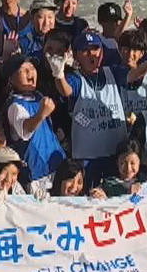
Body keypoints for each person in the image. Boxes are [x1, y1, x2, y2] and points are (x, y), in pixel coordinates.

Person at [51, 30, 140, 187]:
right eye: (85, 50)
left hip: (115, 155)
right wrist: (59, 74)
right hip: (87, 158)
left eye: (95, 48)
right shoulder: (76, 78)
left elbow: (135, 74)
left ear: (102, 52)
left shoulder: (113, 72)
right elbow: (65, 90)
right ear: (76, 55)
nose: (91, 54)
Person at [2, 53, 64, 190]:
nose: (31, 72)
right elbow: (25, 130)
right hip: (36, 173)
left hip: (56, 164)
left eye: (32, 68)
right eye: (24, 70)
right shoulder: (14, 105)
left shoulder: (38, 96)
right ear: (11, 78)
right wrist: (42, 113)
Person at [97, 1, 134, 67]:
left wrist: (128, 16)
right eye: (110, 21)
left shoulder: (125, 43)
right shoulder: (96, 41)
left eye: (117, 21)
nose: (115, 24)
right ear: (100, 22)